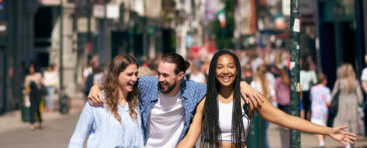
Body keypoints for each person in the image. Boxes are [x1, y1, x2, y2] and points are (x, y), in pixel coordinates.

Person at [177, 50, 357, 148]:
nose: (225, 71)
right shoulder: (205, 101)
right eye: (220, 67)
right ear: (213, 71)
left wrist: (328, 131)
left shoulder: (250, 99)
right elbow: (189, 141)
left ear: (237, 70)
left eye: (230, 67)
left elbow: (287, 119)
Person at [88, 52, 263, 148]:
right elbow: (124, 82)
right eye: (159, 74)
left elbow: (220, 84)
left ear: (180, 76)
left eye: (165, 75)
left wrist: (242, 85)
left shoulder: (193, 90)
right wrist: (98, 88)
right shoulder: (149, 85)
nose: (160, 79)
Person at [68, 54, 143, 148]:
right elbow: (77, 138)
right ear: (116, 74)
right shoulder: (97, 101)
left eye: (136, 74)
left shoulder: (137, 104)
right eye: (129, 74)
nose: (134, 78)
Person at [332, 63, 363, 147]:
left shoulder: (339, 82)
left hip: (343, 103)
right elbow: (360, 97)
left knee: (343, 122)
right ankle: (351, 142)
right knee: (353, 122)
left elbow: (333, 94)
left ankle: (347, 143)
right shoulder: (355, 82)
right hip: (353, 103)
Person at [250, 64, 276, 148]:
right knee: (264, 131)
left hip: (257, 111)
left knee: (257, 133)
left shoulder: (254, 83)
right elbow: (273, 97)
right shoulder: (268, 84)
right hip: (267, 110)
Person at [310, 73, 331, 148]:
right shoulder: (326, 90)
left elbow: (312, 98)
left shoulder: (313, 89)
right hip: (323, 110)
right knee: (323, 127)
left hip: (315, 109)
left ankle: (321, 142)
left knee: (317, 127)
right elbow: (328, 102)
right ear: (324, 81)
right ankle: (322, 142)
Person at [24, 64, 44, 130]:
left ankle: (39, 121)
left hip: (38, 93)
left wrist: (39, 81)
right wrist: (26, 95)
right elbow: (26, 87)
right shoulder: (27, 77)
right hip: (31, 93)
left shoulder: (38, 75)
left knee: (37, 108)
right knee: (31, 108)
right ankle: (32, 123)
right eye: (30, 68)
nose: (31, 69)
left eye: (32, 68)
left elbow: (43, 83)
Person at [274, 67, 290, 148]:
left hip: (280, 99)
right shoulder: (287, 79)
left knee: (280, 114)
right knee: (286, 114)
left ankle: (281, 125)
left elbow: (275, 88)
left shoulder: (278, 80)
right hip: (287, 99)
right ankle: (286, 126)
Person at [300, 55, 317, 120]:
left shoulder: (300, 73)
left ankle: (304, 119)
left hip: (302, 91)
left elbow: (299, 84)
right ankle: (309, 119)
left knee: (303, 106)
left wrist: (298, 91)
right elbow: (315, 81)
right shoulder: (311, 72)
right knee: (309, 106)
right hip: (310, 91)